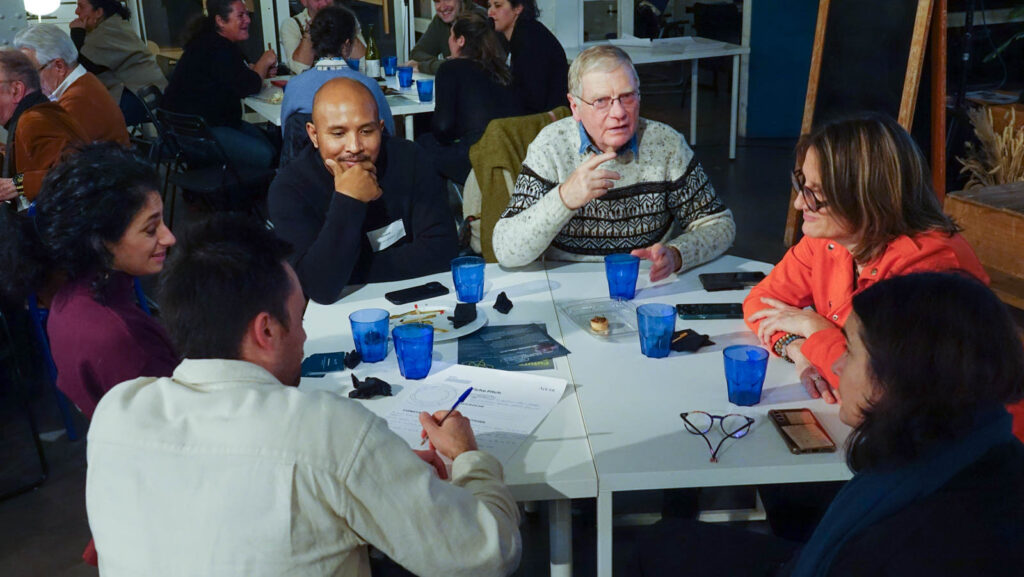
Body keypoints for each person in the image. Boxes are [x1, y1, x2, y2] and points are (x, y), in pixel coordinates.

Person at [85, 215, 522, 576]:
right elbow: (485, 554)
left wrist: (376, 465)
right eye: (299, 319)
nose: (306, 335)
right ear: (267, 330)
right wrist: (469, 458)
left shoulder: (116, 414)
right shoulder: (326, 428)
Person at [635, 272, 1024, 577]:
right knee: (664, 541)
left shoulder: (934, 537)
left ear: (897, 376)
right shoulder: (970, 446)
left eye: (851, 352)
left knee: (659, 545)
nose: (837, 365)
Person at [744, 114, 988, 404]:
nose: (799, 204)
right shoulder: (829, 239)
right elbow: (762, 302)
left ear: (864, 196)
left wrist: (815, 330)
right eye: (802, 186)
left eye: (815, 194)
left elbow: (879, 394)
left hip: (973, 441)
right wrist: (796, 348)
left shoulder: (927, 270)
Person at [493, 45, 735, 280]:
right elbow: (506, 250)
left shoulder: (666, 145)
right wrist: (564, 198)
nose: (619, 112)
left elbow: (719, 225)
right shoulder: (551, 146)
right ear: (575, 107)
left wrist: (676, 255)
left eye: (627, 96)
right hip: (566, 283)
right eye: (601, 101)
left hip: (642, 283)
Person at [0, 143, 178, 419]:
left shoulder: (68, 302)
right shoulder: (119, 336)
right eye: (151, 228)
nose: (169, 237)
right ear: (99, 240)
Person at [269, 78, 458, 304]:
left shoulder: (410, 158)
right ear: (314, 135)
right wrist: (349, 199)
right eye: (338, 134)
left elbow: (443, 250)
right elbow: (320, 287)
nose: (355, 147)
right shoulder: (290, 189)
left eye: (366, 131)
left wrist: (345, 271)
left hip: (418, 300)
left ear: (381, 128)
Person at [162, 0, 278, 169]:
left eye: (247, 14)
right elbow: (249, 85)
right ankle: (241, 192)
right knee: (266, 155)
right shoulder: (216, 48)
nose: (248, 20)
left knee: (272, 146)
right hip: (195, 134)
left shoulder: (212, 40)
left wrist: (258, 70)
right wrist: (263, 63)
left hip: (205, 123)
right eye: (240, 15)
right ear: (220, 21)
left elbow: (238, 73)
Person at [417, 12, 523, 184]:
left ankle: (439, 208)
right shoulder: (502, 68)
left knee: (422, 143)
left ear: (461, 40)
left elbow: (442, 128)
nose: (448, 41)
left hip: (476, 156)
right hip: (511, 152)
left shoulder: (450, 69)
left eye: (451, 36)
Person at [279, 4, 394, 148]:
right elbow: (387, 132)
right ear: (347, 45)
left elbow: (288, 135)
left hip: (304, 166)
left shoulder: (294, 86)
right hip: (358, 164)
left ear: (313, 43)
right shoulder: (367, 85)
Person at [14, 24, 130, 147]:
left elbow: (53, 156)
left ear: (59, 66)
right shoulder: (83, 82)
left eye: (32, 73)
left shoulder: (78, 100)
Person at [0, 50, 88, 203]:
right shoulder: (38, 113)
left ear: (16, 90)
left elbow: (77, 174)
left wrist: (18, 184)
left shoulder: (33, 120)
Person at [68, 0, 167, 104]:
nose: (76, 11)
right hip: (146, 93)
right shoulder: (112, 25)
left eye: (81, 7)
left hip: (141, 97)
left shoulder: (107, 32)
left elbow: (83, 67)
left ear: (98, 12)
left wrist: (77, 32)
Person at [488, 0, 568, 113]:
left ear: (518, 8)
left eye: (498, 5)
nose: (490, 12)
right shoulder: (520, 34)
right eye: (489, 6)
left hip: (547, 119)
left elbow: (532, 98)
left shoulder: (530, 39)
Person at [280, 0, 366, 75]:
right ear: (304, 1)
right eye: (317, 0)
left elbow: (365, 63)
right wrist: (311, 31)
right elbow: (299, 68)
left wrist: (343, 25)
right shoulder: (291, 25)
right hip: (311, 87)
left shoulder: (347, 19)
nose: (324, 4)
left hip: (344, 83)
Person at [405, 0, 487, 74]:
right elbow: (416, 54)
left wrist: (424, 66)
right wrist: (443, 63)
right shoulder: (440, 20)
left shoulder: (477, 18)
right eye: (437, 1)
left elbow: (465, 66)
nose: (442, 7)